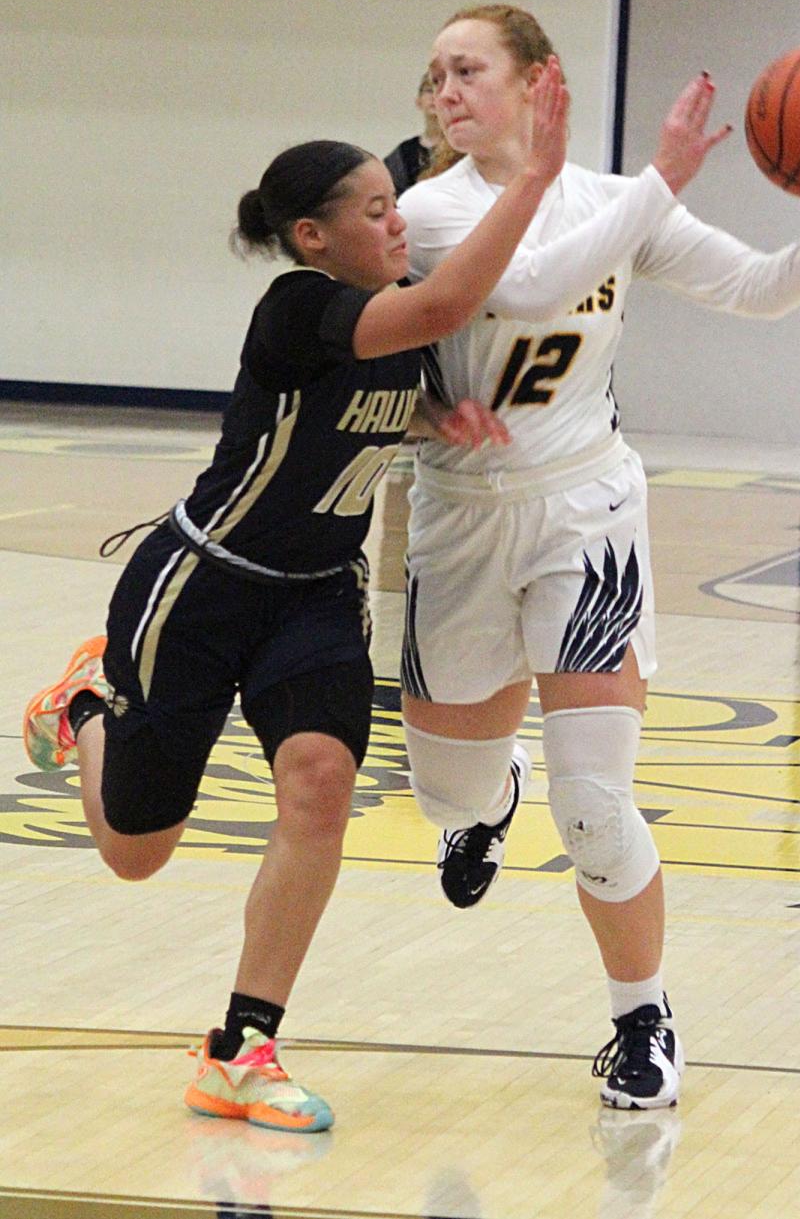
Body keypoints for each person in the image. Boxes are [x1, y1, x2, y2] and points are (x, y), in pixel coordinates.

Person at [21, 60, 571, 1134]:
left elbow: (377, 397)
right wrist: (537, 176)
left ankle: (242, 1045)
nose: (399, 223)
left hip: (317, 593)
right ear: (315, 236)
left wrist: (431, 423)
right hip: (203, 586)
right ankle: (86, 704)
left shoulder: (387, 325)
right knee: (138, 852)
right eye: (377, 210)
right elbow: (449, 302)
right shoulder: (302, 308)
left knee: (318, 786)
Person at [397, 3, 800, 1112]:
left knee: (596, 806)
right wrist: (660, 179)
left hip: (586, 508)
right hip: (461, 520)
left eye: (469, 68)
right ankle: (487, 807)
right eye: (435, 74)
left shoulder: (614, 203)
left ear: (540, 80)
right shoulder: (426, 212)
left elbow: (763, 287)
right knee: (446, 787)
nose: (445, 90)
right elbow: (528, 283)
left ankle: (643, 1019)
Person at [384, 71, 442, 197]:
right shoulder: (402, 153)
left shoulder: (464, 150)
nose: (434, 96)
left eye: (440, 90)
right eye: (428, 90)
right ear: (418, 101)